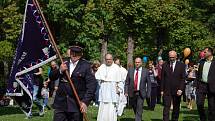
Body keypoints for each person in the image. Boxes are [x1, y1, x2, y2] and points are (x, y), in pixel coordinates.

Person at [51, 43, 97, 121]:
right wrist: (60, 70)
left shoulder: (86, 66)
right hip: (61, 103)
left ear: (81, 54)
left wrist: (85, 102)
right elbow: (52, 77)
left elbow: (92, 86)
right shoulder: (63, 62)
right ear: (70, 52)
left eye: (77, 53)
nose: (74, 55)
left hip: (76, 104)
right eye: (72, 52)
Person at [95, 54, 122, 121]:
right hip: (104, 90)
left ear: (112, 59)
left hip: (112, 91)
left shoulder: (116, 67)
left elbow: (120, 80)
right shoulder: (102, 67)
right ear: (105, 60)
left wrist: (118, 89)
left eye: (110, 59)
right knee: (103, 106)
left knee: (111, 106)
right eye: (107, 59)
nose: (108, 61)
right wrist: (102, 80)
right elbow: (97, 77)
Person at [161, 50, 186, 121]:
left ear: (176, 57)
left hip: (177, 90)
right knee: (166, 107)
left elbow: (183, 78)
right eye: (170, 57)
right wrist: (162, 90)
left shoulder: (181, 65)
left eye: (173, 57)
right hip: (167, 90)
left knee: (176, 107)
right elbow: (163, 78)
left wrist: (181, 89)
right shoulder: (165, 65)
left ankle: (174, 119)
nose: (171, 59)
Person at [196, 47, 215, 121]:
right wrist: (196, 85)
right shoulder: (201, 62)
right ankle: (203, 118)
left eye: (205, 52)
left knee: (212, 107)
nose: (203, 53)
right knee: (199, 104)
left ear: (210, 53)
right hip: (201, 85)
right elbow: (198, 74)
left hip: (212, 86)